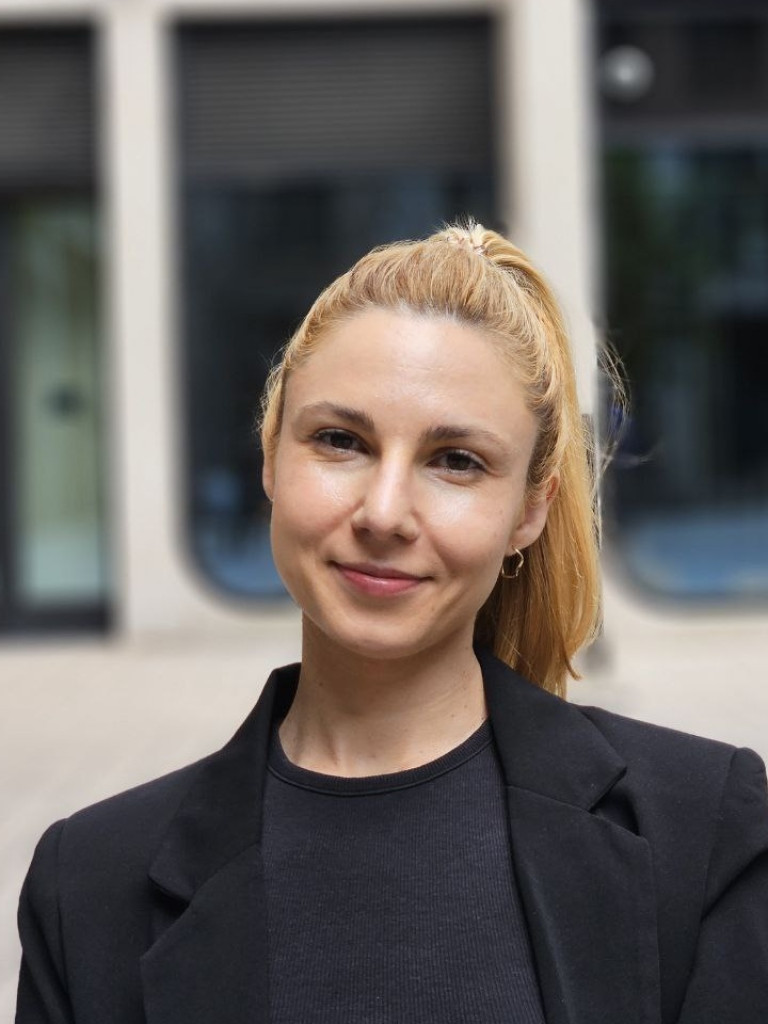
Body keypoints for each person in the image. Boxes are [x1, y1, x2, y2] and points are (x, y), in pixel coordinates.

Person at [16, 223, 768, 1024]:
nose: (384, 513)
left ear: (531, 510)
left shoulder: (703, 827)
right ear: (271, 455)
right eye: (341, 441)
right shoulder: (89, 884)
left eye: (456, 461)